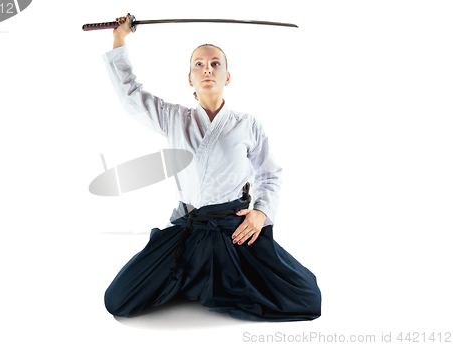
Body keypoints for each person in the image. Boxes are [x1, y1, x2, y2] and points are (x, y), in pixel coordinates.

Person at [101, 14, 321, 322]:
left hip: (233, 229)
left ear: (227, 77)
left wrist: (261, 213)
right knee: (118, 298)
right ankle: (191, 279)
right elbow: (131, 94)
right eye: (199, 65)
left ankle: (197, 282)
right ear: (189, 78)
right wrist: (119, 39)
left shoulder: (247, 124)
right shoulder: (173, 118)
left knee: (306, 297)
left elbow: (270, 173)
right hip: (188, 229)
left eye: (215, 63)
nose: (207, 69)